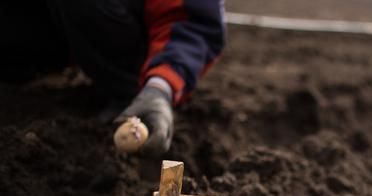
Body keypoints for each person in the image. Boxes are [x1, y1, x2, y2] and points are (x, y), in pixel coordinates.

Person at [0, 1, 226, 156]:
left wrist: (160, 87)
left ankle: (127, 93)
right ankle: (30, 66)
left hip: (128, 33)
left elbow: (194, 23)